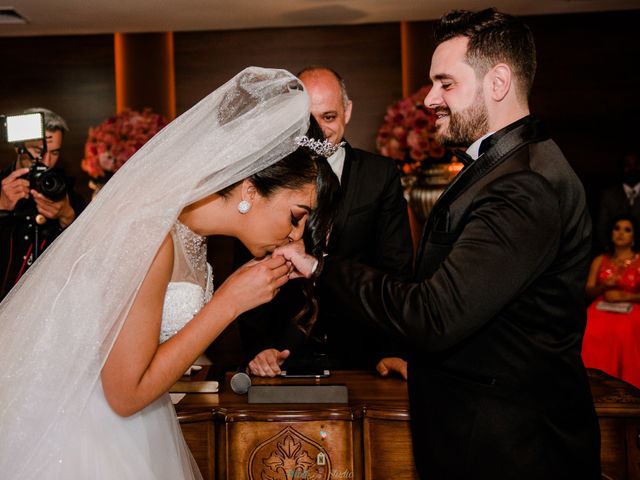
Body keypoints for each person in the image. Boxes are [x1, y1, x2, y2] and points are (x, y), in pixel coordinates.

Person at [276, 9, 601, 479]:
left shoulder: (524, 185)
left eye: (445, 83)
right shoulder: (501, 167)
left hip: (512, 449)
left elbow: (433, 315)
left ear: (498, 82)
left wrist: (319, 268)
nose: (429, 98)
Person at [0, 67, 340, 480]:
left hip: (137, 426)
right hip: (80, 434)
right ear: (251, 189)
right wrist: (227, 302)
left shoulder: (194, 240)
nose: (294, 236)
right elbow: (124, 394)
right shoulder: (150, 235)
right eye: (296, 216)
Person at [239, 65, 413, 379]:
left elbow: (397, 269)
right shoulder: (268, 176)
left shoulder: (380, 175)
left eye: (328, 117)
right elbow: (247, 264)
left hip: (365, 357)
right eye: (308, 118)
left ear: (347, 111)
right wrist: (259, 347)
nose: (317, 130)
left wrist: (392, 348)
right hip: (282, 358)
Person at [0, 107, 85, 301]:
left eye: (54, 153)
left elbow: (89, 257)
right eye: (38, 151)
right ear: (17, 147)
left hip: (49, 303)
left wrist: (68, 217)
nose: (46, 161)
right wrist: (2, 207)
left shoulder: (68, 194)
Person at [582, 214, 640, 388]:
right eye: (617, 228)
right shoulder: (600, 260)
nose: (621, 233)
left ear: (634, 236)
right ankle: (592, 384)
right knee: (588, 326)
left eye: (627, 230)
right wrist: (604, 287)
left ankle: (628, 387)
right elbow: (588, 290)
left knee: (625, 331)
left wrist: (626, 296)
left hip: (632, 308)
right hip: (601, 307)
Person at [595, 152, 640, 252]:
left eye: (635, 165)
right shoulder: (609, 196)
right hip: (614, 255)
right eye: (627, 165)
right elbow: (601, 228)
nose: (631, 169)